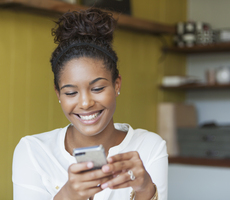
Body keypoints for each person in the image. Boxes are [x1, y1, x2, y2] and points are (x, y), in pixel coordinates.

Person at [12, 8, 168, 200]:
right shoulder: (32, 151)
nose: (85, 103)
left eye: (97, 89)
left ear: (116, 84)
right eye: (71, 92)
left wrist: (145, 190)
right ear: (58, 93)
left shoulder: (149, 147)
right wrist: (67, 195)